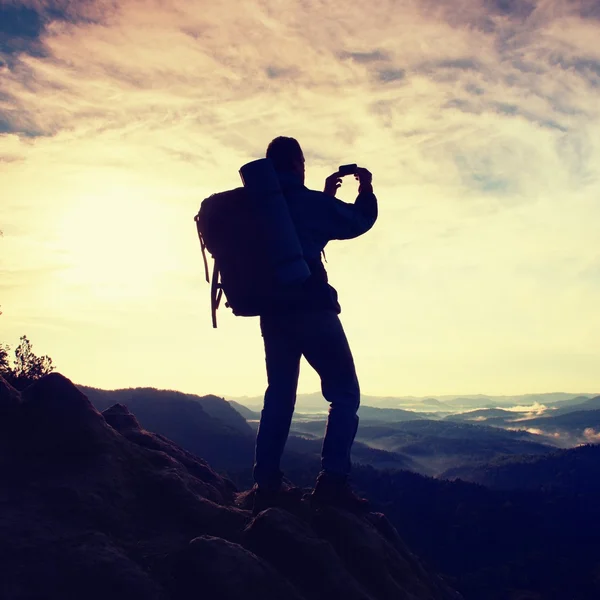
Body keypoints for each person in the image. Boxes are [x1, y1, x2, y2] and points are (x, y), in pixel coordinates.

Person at [252, 136, 378, 513]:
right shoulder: (308, 203)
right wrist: (366, 189)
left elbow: (294, 234)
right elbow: (358, 220)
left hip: (272, 313)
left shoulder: (256, 207)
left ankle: (267, 483)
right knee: (344, 393)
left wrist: (323, 194)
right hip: (311, 309)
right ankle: (332, 483)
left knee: (280, 394)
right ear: (297, 164)